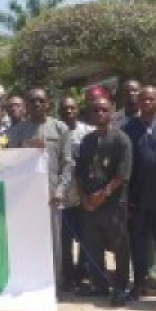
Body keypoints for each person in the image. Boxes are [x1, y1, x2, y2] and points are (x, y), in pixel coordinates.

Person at [8, 87, 68, 293]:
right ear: (26, 105)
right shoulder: (17, 131)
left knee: (54, 242)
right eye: (32, 101)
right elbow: (11, 162)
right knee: (27, 239)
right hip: (25, 196)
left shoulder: (60, 128)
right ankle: (29, 284)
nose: (37, 104)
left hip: (52, 196)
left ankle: (55, 286)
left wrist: (60, 189)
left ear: (48, 103)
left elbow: (68, 163)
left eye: (41, 101)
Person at [74, 97, 132, 307]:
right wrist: (84, 198)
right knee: (93, 246)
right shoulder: (87, 141)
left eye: (104, 110)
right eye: (95, 110)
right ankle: (99, 285)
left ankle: (121, 287)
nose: (99, 113)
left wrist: (103, 194)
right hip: (90, 205)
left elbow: (123, 174)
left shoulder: (121, 140)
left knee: (119, 247)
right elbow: (79, 172)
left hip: (113, 205)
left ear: (111, 111)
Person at [121, 86, 156, 300]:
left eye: (151, 99)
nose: (147, 103)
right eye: (143, 99)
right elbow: (125, 164)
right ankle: (139, 284)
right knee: (138, 243)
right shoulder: (129, 127)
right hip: (138, 197)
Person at [55, 96, 94, 292]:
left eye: (72, 108)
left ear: (78, 110)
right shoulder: (55, 132)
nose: (68, 111)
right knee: (65, 240)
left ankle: (84, 275)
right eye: (64, 109)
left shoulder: (88, 131)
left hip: (85, 195)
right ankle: (68, 276)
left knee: (87, 238)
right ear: (59, 112)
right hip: (63, 196)